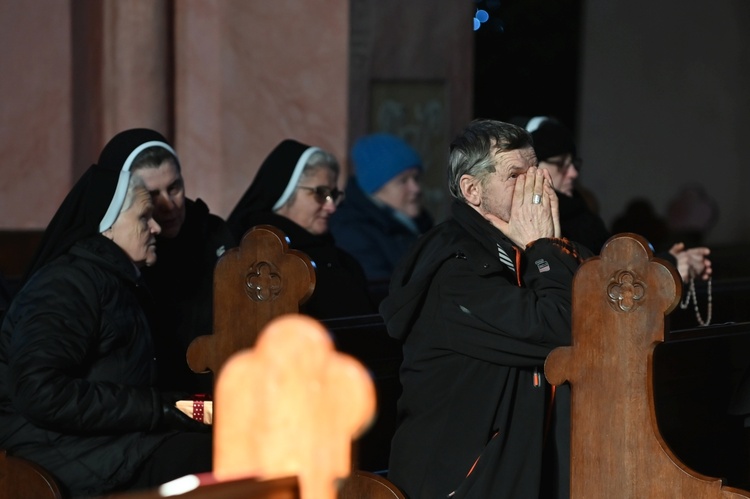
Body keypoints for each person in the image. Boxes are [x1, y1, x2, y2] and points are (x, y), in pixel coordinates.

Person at [380, 119, 591, 498]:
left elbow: (601, 302)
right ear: (472, 190)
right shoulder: (453, 269)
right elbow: (561, 329)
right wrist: (546, 246)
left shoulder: (528, 244)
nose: (535, 187)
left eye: (536, 173)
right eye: (516, 176)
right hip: (465, 480)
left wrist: (549, 247)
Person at [0, 130, 211, 497]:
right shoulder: (67, 285)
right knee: (221, 457)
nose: (157, 227)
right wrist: (158, 409)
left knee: (236, 435)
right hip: (65, 452)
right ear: (107, 225)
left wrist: (203, 409)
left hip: (115, 442)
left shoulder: (119, 281)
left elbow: (153, 398)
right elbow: (38, 391)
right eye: (145, 217)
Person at [520, 115, 712, 283]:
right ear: (534, 167)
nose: (572, 173)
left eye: (574, 163)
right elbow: (589, 278)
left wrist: (666, 263)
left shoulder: (579, 209)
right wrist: (668, 264)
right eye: (561, 164)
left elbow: (609, 262)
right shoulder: (532, 216)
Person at [129, 130, 236, 395]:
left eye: (174, 188)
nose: (168, 205)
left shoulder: (214, 231)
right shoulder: (130, 246)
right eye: (153, 194)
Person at [226, 139, 376, 320]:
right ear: (285, 193)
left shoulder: (343, 259)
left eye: (333, 195)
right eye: (321, 194)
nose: (331, 208)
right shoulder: (255, 251)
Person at [329, 133, 433, 286]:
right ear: (375, 188)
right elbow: (382, 292)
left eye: (416, 178)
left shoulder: (419, 223)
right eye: (403, 181)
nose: (415, 188)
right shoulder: (350, 231)